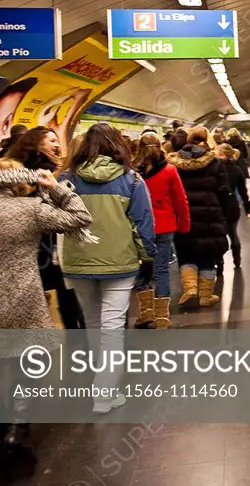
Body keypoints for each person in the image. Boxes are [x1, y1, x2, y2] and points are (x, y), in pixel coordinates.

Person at [0, 159, 94, 474]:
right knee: (25, 364)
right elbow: (80, 218)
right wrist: (57, 190)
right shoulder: (30, 210)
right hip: (22, 297)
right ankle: (17, 429)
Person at [61, 123, 157, 414]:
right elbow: (143, 225)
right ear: (117, 146)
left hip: (78, 263)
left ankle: (102, 386)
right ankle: (104, 393)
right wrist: (148, 258)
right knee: (113, 327)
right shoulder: (133, 181)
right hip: (120, 262)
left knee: (93, 325)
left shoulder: (66, 180)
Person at [6, 127, 85, 329]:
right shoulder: (40, 172)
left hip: (30, 246)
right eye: (51, 140)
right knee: (65, 298)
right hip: (45, 245)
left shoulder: (25, 167)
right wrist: (61, 191)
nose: (57, 145)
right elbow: (77, 216)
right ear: (37, 144)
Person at [167, 126, 231, 305]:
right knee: (208, 256)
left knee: (186, 253)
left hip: (184, 216)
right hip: (210, 214)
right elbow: (224, 190)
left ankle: (190, 289)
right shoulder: (215, 162)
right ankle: (205, 296)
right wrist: (222, 213)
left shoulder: (175, 163)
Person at [135, 134, 190, 328]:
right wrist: (184, 225)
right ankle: (162, 318)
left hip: (140, 228)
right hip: (164, 227)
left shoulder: (133, 173)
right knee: (162, 271)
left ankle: (146, 313)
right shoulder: (169, 170)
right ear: (160, 147)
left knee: (142, 271)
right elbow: (180, 200)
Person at [217, 143, 250, 268]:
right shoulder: (237, 170)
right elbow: (243, 192)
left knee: (219, 236)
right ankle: (237, 261)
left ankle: (219, 264)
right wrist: (248, 209)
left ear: (222, 154)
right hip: (232, 206)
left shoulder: (215, 169)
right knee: (233, 234)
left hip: (218, 206)